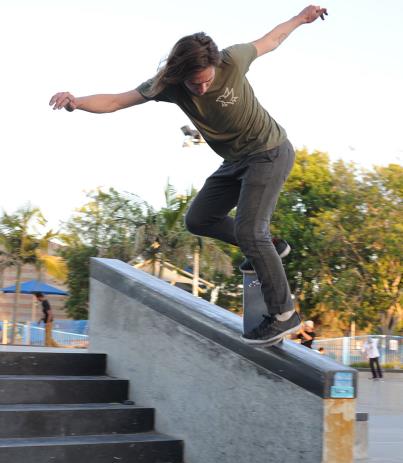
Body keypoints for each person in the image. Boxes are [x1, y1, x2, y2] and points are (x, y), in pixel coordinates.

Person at [49, 5, 328, 346]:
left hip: (269, 151)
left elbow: (272, 39)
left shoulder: (232, 59)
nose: (201, 88)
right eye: (194, 84)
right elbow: (118, 101)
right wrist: (76, 101)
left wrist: (301, 18)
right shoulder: (168, 85)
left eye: (207, 80)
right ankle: (271, 247)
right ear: (181, 75)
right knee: (199, 219)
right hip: (235, 161)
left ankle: (284, 314)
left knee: (249, 229)